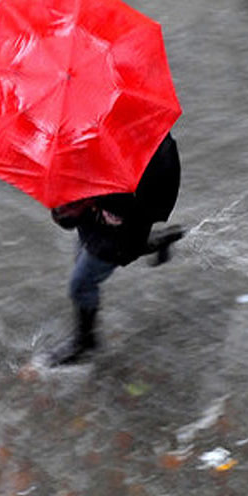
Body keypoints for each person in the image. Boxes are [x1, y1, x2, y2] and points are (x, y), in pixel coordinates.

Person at [47, 133, 184, 366]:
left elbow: (136, 211)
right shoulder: (92, 139)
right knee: (83, 257)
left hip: (118, 234)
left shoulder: (142, 162)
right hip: (97, 226)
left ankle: (84, 341)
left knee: (81, 285)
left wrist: (96, 203)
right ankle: (159, 240)